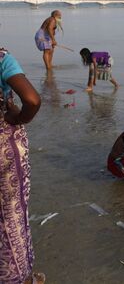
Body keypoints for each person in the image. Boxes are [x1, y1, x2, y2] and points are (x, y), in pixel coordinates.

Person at [0, 48, 45, 283]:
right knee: (11, 214)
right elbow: (32, 100)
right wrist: (17, 118)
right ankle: (19, 278)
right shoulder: (2, 59)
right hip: (4, 148)